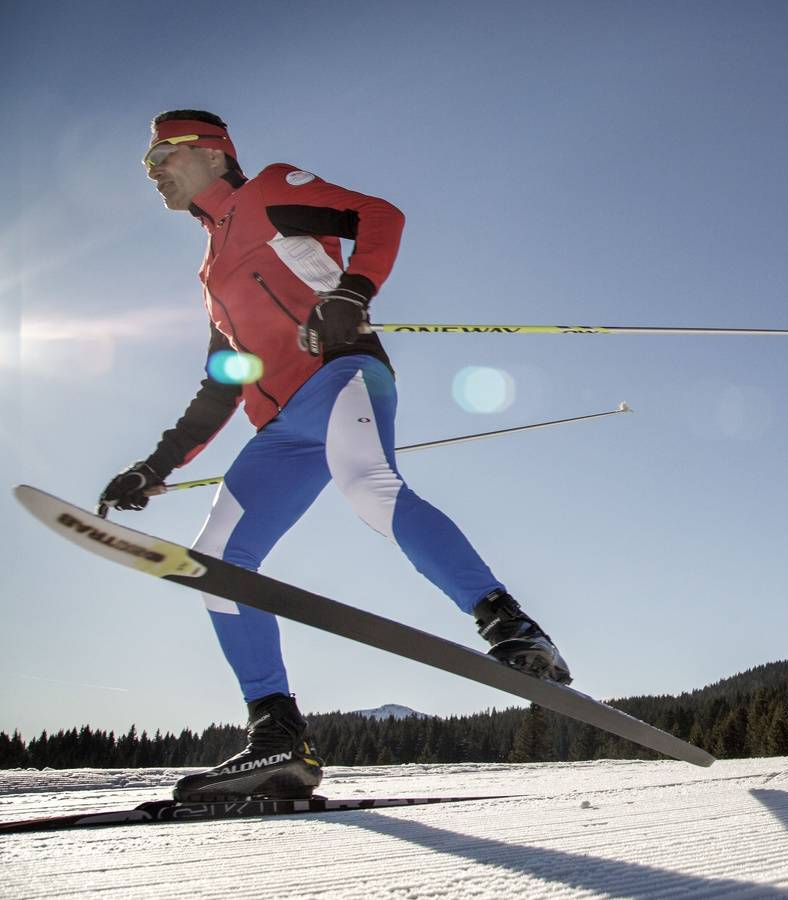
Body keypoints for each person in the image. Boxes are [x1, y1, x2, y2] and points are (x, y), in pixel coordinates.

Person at [98, 110, 570, 802]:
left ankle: (513, 627)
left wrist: (351, 292)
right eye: (147, 166)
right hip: (284, 429)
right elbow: (221, 383)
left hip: (342, 373)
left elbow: (379, 215)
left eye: (160, 156)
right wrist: (154, 466)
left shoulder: (268, 190)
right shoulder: (212, 272)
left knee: (368, 486)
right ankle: (277, 740)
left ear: (210, 153)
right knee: (218, 566)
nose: (153, 173)